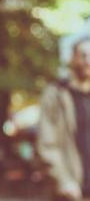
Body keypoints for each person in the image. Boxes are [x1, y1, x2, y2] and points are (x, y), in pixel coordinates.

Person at [37, 36, 90, 201]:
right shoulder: (55, 94)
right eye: (83, 55)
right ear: (72, 59)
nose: (88, 60)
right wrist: (64, 181)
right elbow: (47, 143)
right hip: (72, 192)